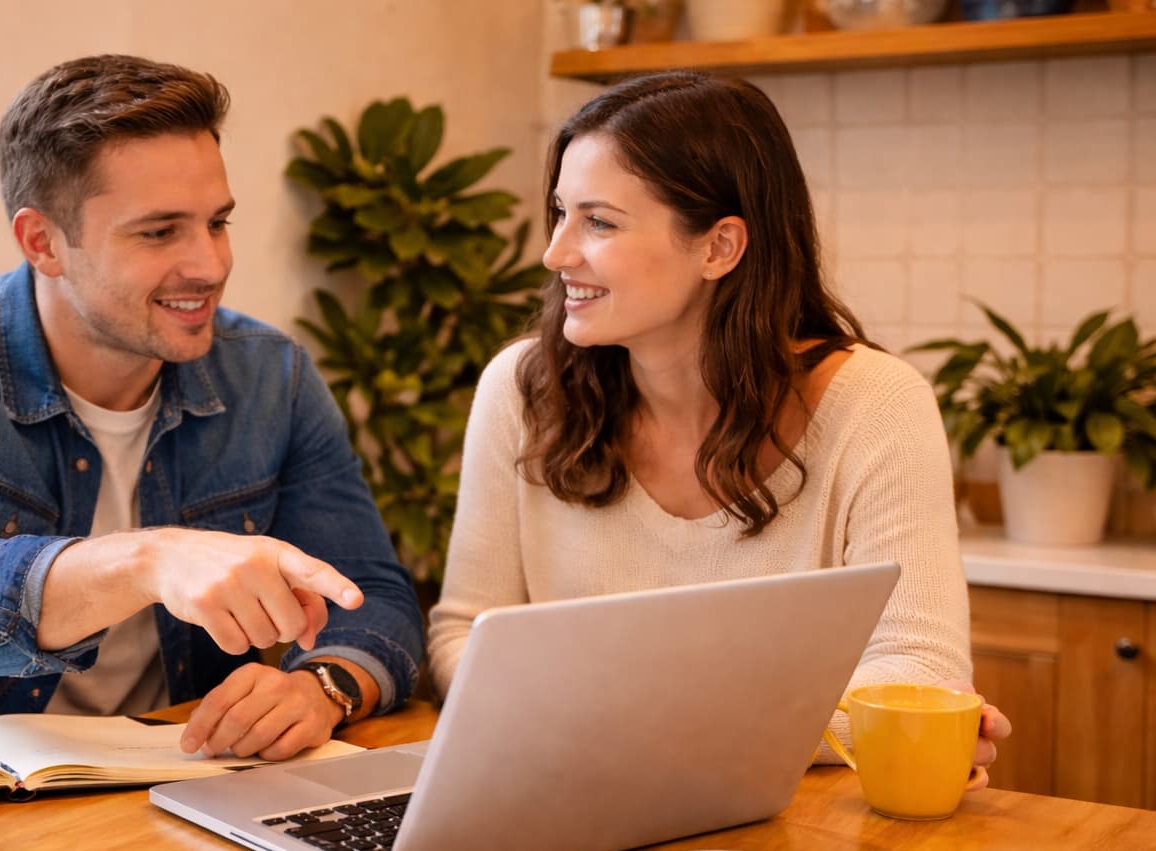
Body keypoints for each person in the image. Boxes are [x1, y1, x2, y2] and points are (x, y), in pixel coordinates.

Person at [0, 53, 423, 761]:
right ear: (42, 242)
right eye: (159, 231)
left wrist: (323, 686)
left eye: (217, 222)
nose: (209, 264)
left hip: (156, 789)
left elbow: (373, 596)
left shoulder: (271, 376)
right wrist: (149, 559)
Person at [426, 71, 1009, 779]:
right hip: (571, 804)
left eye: (599, 222)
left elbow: (916, 671)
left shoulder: (877, 404)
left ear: (719, 248)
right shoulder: (522, 392)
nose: (556, 254)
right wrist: (776, 730)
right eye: (561, 213)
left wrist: (630, 730)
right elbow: (464, 633)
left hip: (795, 837)